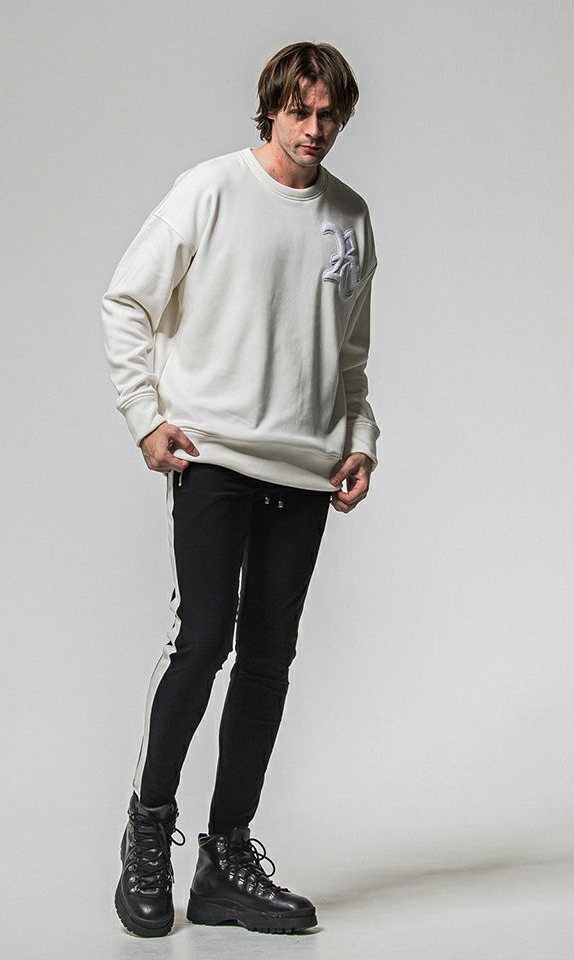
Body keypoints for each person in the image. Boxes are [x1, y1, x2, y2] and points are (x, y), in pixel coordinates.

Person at [101, 40, 381, 938]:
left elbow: (348, 356)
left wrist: (360, 440)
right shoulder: (211, 190)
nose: (315, 128)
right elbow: (128, 301)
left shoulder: (351, 218)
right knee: (203, 641)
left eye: (329, 114)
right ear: (273, 108)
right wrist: (146, 416)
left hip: (306, 471)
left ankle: (225, 860)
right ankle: (149, 832)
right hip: (213, 455)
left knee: (268, 660)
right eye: (301, 111)